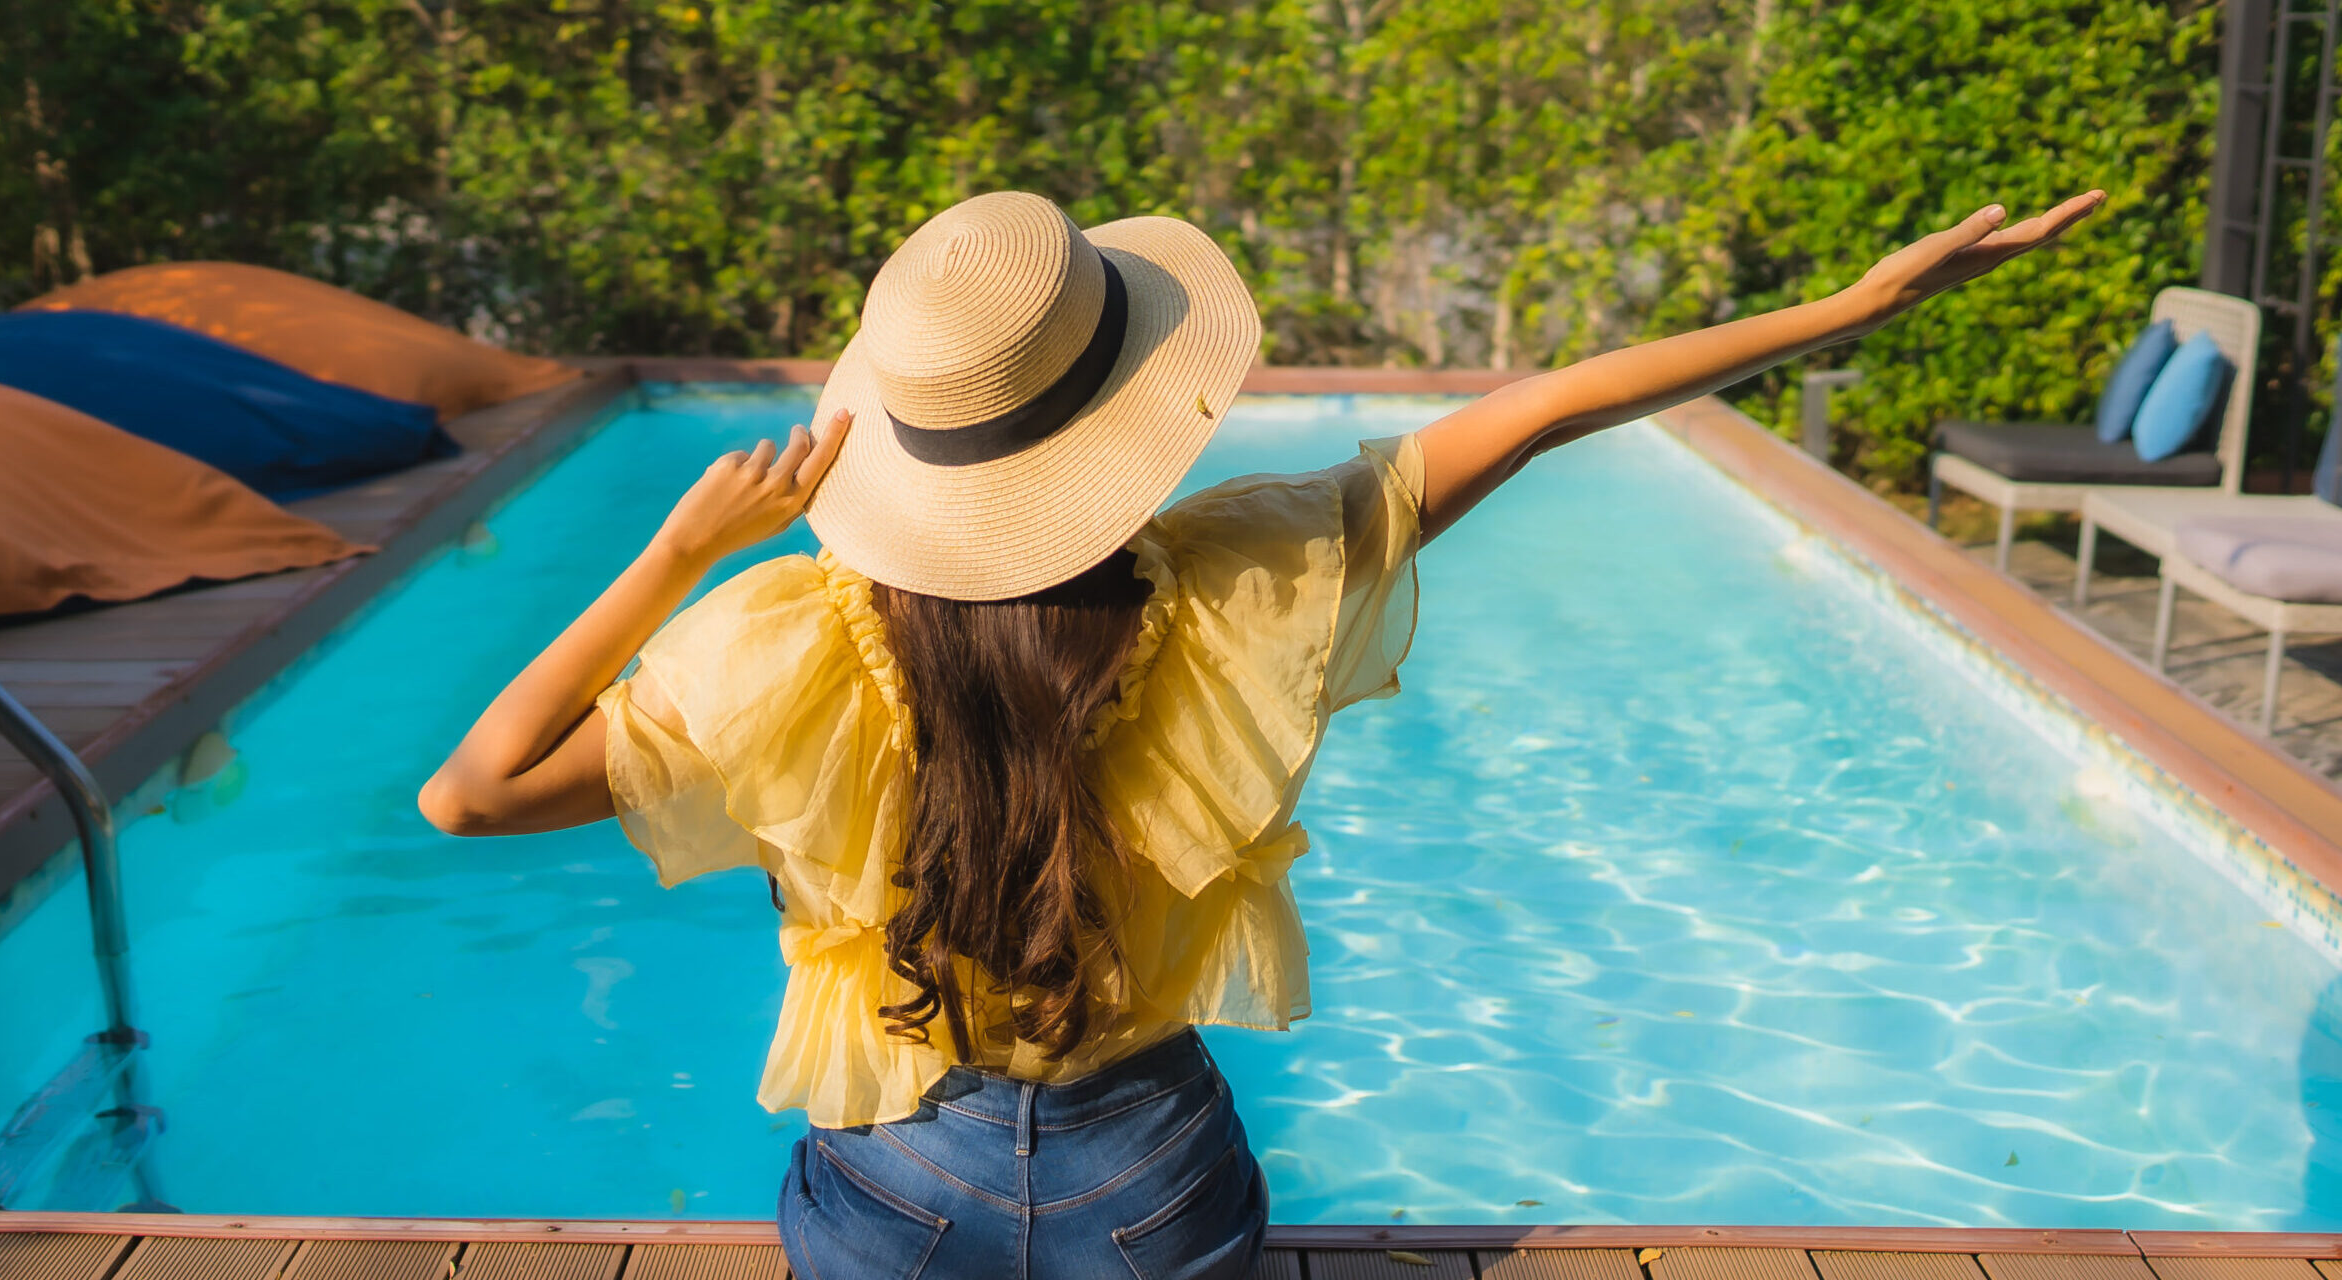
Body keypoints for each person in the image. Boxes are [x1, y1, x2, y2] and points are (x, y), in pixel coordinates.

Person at [420, 186, 2103, 1278]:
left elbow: (470, 794)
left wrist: (675, 552)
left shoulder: (778, 652)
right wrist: (1856, 305)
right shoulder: (1250, 578)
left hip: (895, 1198)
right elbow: (1547, 406)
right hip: (1143, 1179)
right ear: (1124, 409)